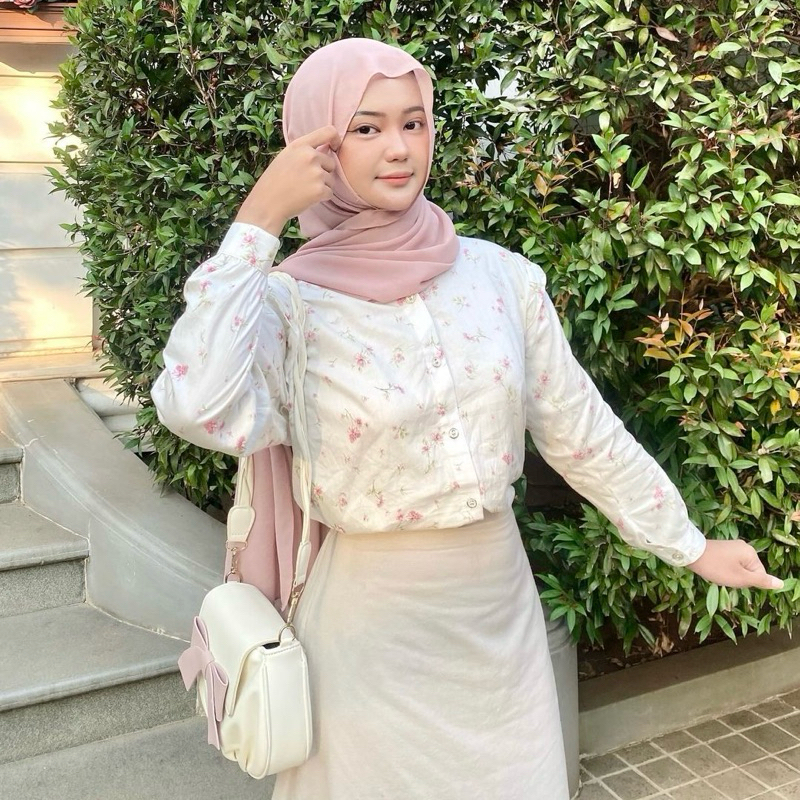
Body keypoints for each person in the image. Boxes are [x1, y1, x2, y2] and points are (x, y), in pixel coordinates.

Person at [151, 37, 784, 800]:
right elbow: (197, 405)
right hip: (370, 641)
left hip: (497, 620)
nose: (398, 148)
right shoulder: (288, 305)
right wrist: (258, 220)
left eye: (413, 123)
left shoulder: (499, 277)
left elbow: (582, 431)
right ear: (315, 147)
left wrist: (689, 545)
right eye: (365, 128)